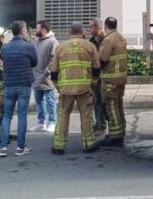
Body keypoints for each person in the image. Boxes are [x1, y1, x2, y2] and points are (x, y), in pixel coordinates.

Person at [50, 22, 100, 154]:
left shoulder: (60, 47)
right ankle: (89, 144)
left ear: (69, 32)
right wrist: (92, 83)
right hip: (85, 87)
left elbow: (54, 71)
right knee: (86, 115)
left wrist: (58, 87)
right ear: (82, 31)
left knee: (63, 116)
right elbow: (96, 68)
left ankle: (59, 146)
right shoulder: (90, 46)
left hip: (65, 89)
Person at [0, 20, 38, 157]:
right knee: (22, 115)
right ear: (22, 30)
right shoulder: (29, 46)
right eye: (26, 28)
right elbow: (34, 62)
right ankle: (20, 147)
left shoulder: (5, 47)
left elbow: (4, 60)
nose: (27, 31)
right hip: (24, 84)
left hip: (9, 84)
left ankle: (3, 147)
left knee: (7, 115)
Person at [99, 16, 128, 147]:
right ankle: (121, 131)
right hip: (121, 79)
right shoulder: (121, 37)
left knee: (111, 107)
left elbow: (103, 58)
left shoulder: (108, 39)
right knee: (119, 106)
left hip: (110, 79)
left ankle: (115, 136)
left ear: (106, 27)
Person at [30, 20, 59, 134]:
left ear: (43, 29)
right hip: (35, 77)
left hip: (47, 78)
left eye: (37, 28)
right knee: (39, 101)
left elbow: (54, 60)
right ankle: (41, 123)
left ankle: (52, 122)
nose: (36, 30)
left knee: (50, 100)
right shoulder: (35, 41)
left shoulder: (53, 42)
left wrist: (45, 73)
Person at [88, 18, 107, 132]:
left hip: (103, 76)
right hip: (94, 76)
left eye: (91, 27)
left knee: (102, 101)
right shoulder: (91, 41)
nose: (89, 29)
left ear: (97, 27)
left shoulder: (105, 40)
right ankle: (98, 123)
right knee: (96, 101)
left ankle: (102, 124)